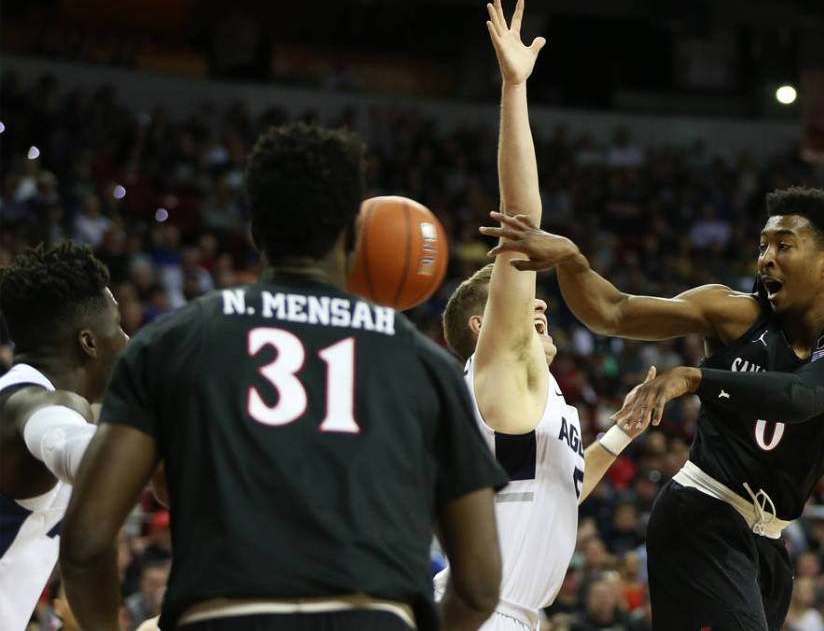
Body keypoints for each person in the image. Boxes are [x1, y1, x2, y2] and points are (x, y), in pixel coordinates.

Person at [60, 123, 507, 631]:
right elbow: (479, 581)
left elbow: (87, 541)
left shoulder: (173, 341)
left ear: (254, 229)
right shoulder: (427, 366)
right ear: (354, 235)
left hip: (227, 616)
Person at [480, 186, 824, 630]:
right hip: (701, 513)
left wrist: (695, 377)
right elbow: (613, 312)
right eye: (763, 246)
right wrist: (572, 261)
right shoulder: (732, 312)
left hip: (769, 541)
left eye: (783, 246)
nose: (766, 258)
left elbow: (803, 396)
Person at [437, 0, 645, 631]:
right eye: (523, 306)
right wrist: (514, 88)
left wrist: (620, 435)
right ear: (485, 326)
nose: (540, 307)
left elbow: (560, 490)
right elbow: (522, 226)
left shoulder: (536, 402)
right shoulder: (498, 367)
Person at [0, 241, 128, 631]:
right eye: (118, 326)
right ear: (88, 342)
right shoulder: (34, 404)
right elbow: (64, 438)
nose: (127, 340)